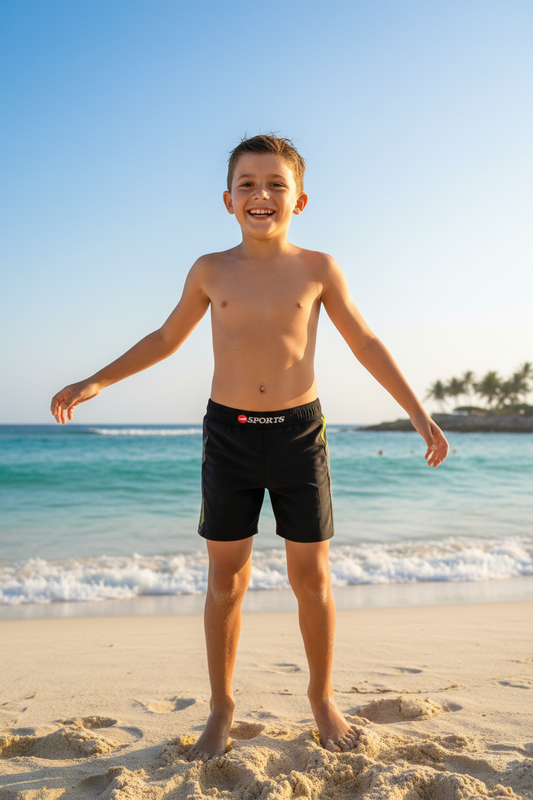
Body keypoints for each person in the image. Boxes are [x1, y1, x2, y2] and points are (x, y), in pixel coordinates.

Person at [51, 133, 449, 762]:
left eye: (275, 184)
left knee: (311, 579)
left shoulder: (319, 268)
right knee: (225, 582)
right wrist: (97, 379)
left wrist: (418, 412)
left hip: (299, 435)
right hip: (229, 435)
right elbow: (164, 337)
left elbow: (366, 342)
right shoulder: (210, 270)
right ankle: (221, 708)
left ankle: (321, 698)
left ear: (300, 199)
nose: (261, 194)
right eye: (247, 184)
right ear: (228, 200)